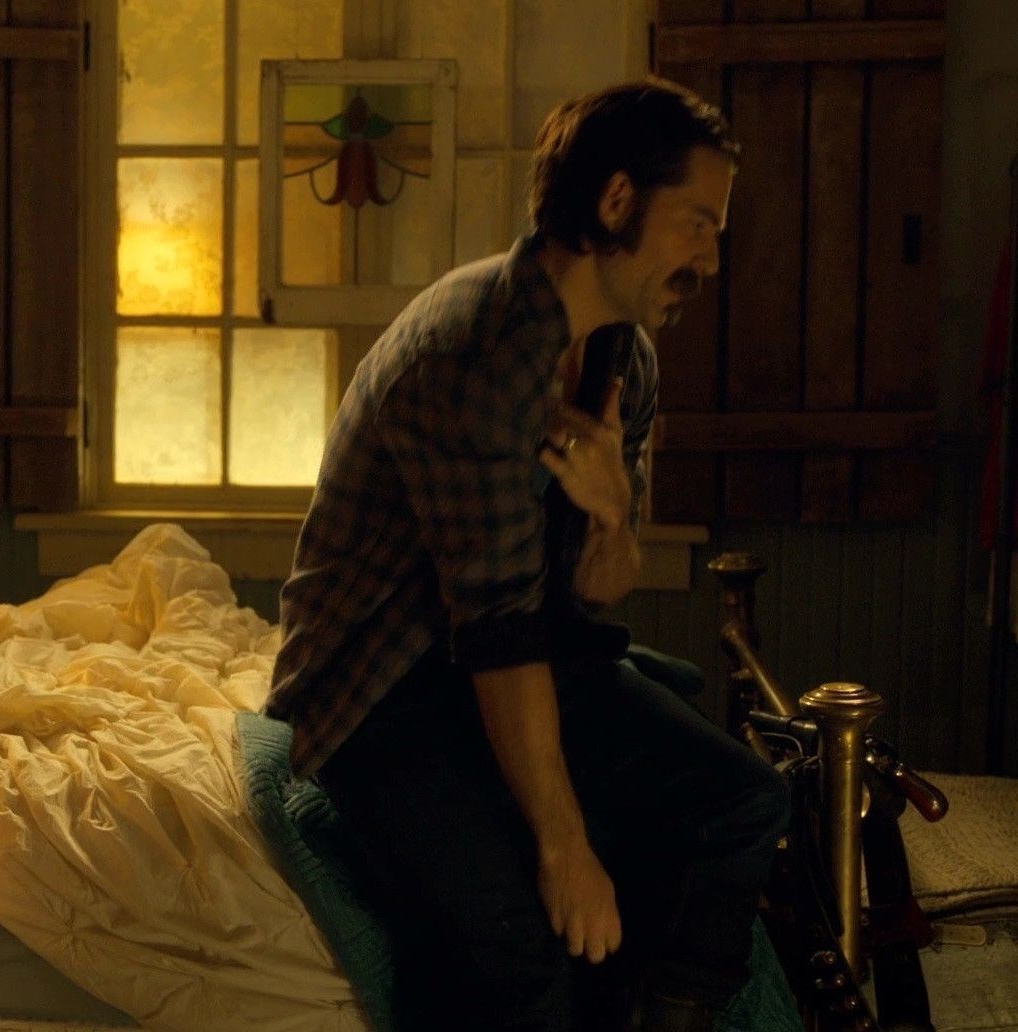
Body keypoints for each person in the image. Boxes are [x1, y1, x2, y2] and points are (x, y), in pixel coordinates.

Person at [268, 79, 790, 1032]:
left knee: (743, 801)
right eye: (697, 224)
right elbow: (496, 630)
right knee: (520, 957)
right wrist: (562, 846)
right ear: (617, 201)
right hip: (384, 685)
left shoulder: (623, 359)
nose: (711, 258)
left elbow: (597, 593)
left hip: (521, 652)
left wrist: (613, 513)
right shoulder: (472, 351)